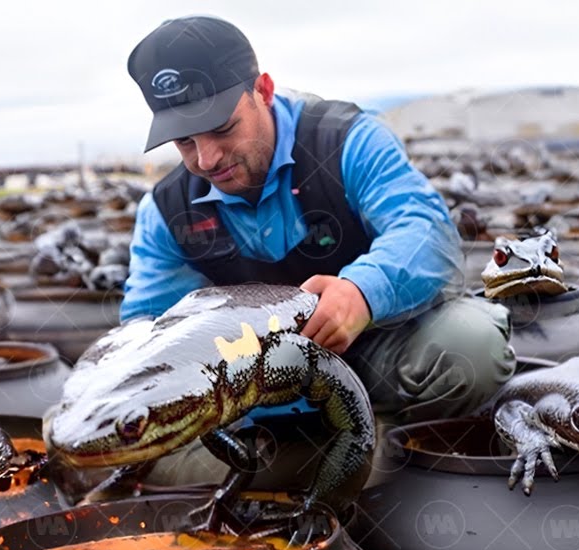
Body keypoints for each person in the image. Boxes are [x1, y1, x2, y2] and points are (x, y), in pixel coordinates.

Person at [124, 15, 515, 430]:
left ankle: (386, 439)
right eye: (184, 141)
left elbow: (425, 232)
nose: (206, 159)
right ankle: (304, 442)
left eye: (223, 128)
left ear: (264, 91)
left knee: (472, 347)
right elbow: (148, 331)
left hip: (373, 349)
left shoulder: (348, 141)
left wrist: (361, 293)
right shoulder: (167, 210)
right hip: (251, 388)